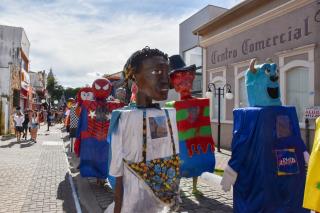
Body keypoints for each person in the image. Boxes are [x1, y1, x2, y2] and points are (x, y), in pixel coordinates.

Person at [106, 47, 180, 213]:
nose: (165, 80)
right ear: (135, 77)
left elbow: (172, 155)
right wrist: (118, 206)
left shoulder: (169, 115)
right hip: (131, 203)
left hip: (161, 205)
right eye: (156, 72)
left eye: (166, 73)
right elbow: (117, 169)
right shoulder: (124, 118)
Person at [166, 55, 216, 195]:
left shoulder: (199, 103)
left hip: (199, 140)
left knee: (197, 161)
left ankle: (194, 187)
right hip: (181, 141)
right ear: (174, 83)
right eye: (180, 80)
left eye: (188, 78)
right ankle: (178, 187)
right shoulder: (173, 106)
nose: (186, 83)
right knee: (180, 164)